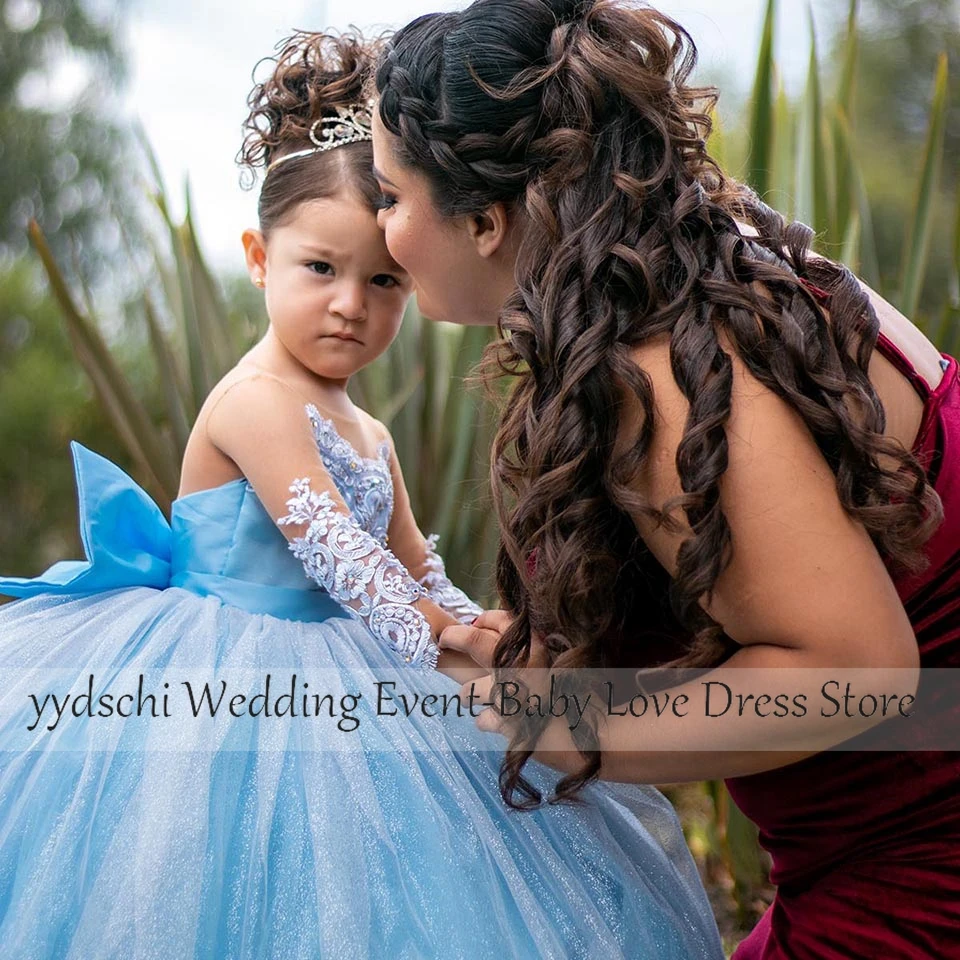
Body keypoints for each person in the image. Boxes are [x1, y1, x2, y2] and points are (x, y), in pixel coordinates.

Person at [0, 29, 726, 959]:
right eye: (320, 270)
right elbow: (337, 552)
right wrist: (442, 633)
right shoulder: (256, 402)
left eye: (383, 279)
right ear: (260, 258)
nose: (352, 303)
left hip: (356, 651)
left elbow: (411, 557)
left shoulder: (366, 428)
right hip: (233, 671)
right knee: (222, 879)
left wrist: (486, 627)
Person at [371, 1, 960, 957]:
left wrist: (567, 727)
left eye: (391, 196)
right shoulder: (734, 266)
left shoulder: (666, 372)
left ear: (483, 220)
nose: (381, 227)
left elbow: (854, 671)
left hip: (917, 894)